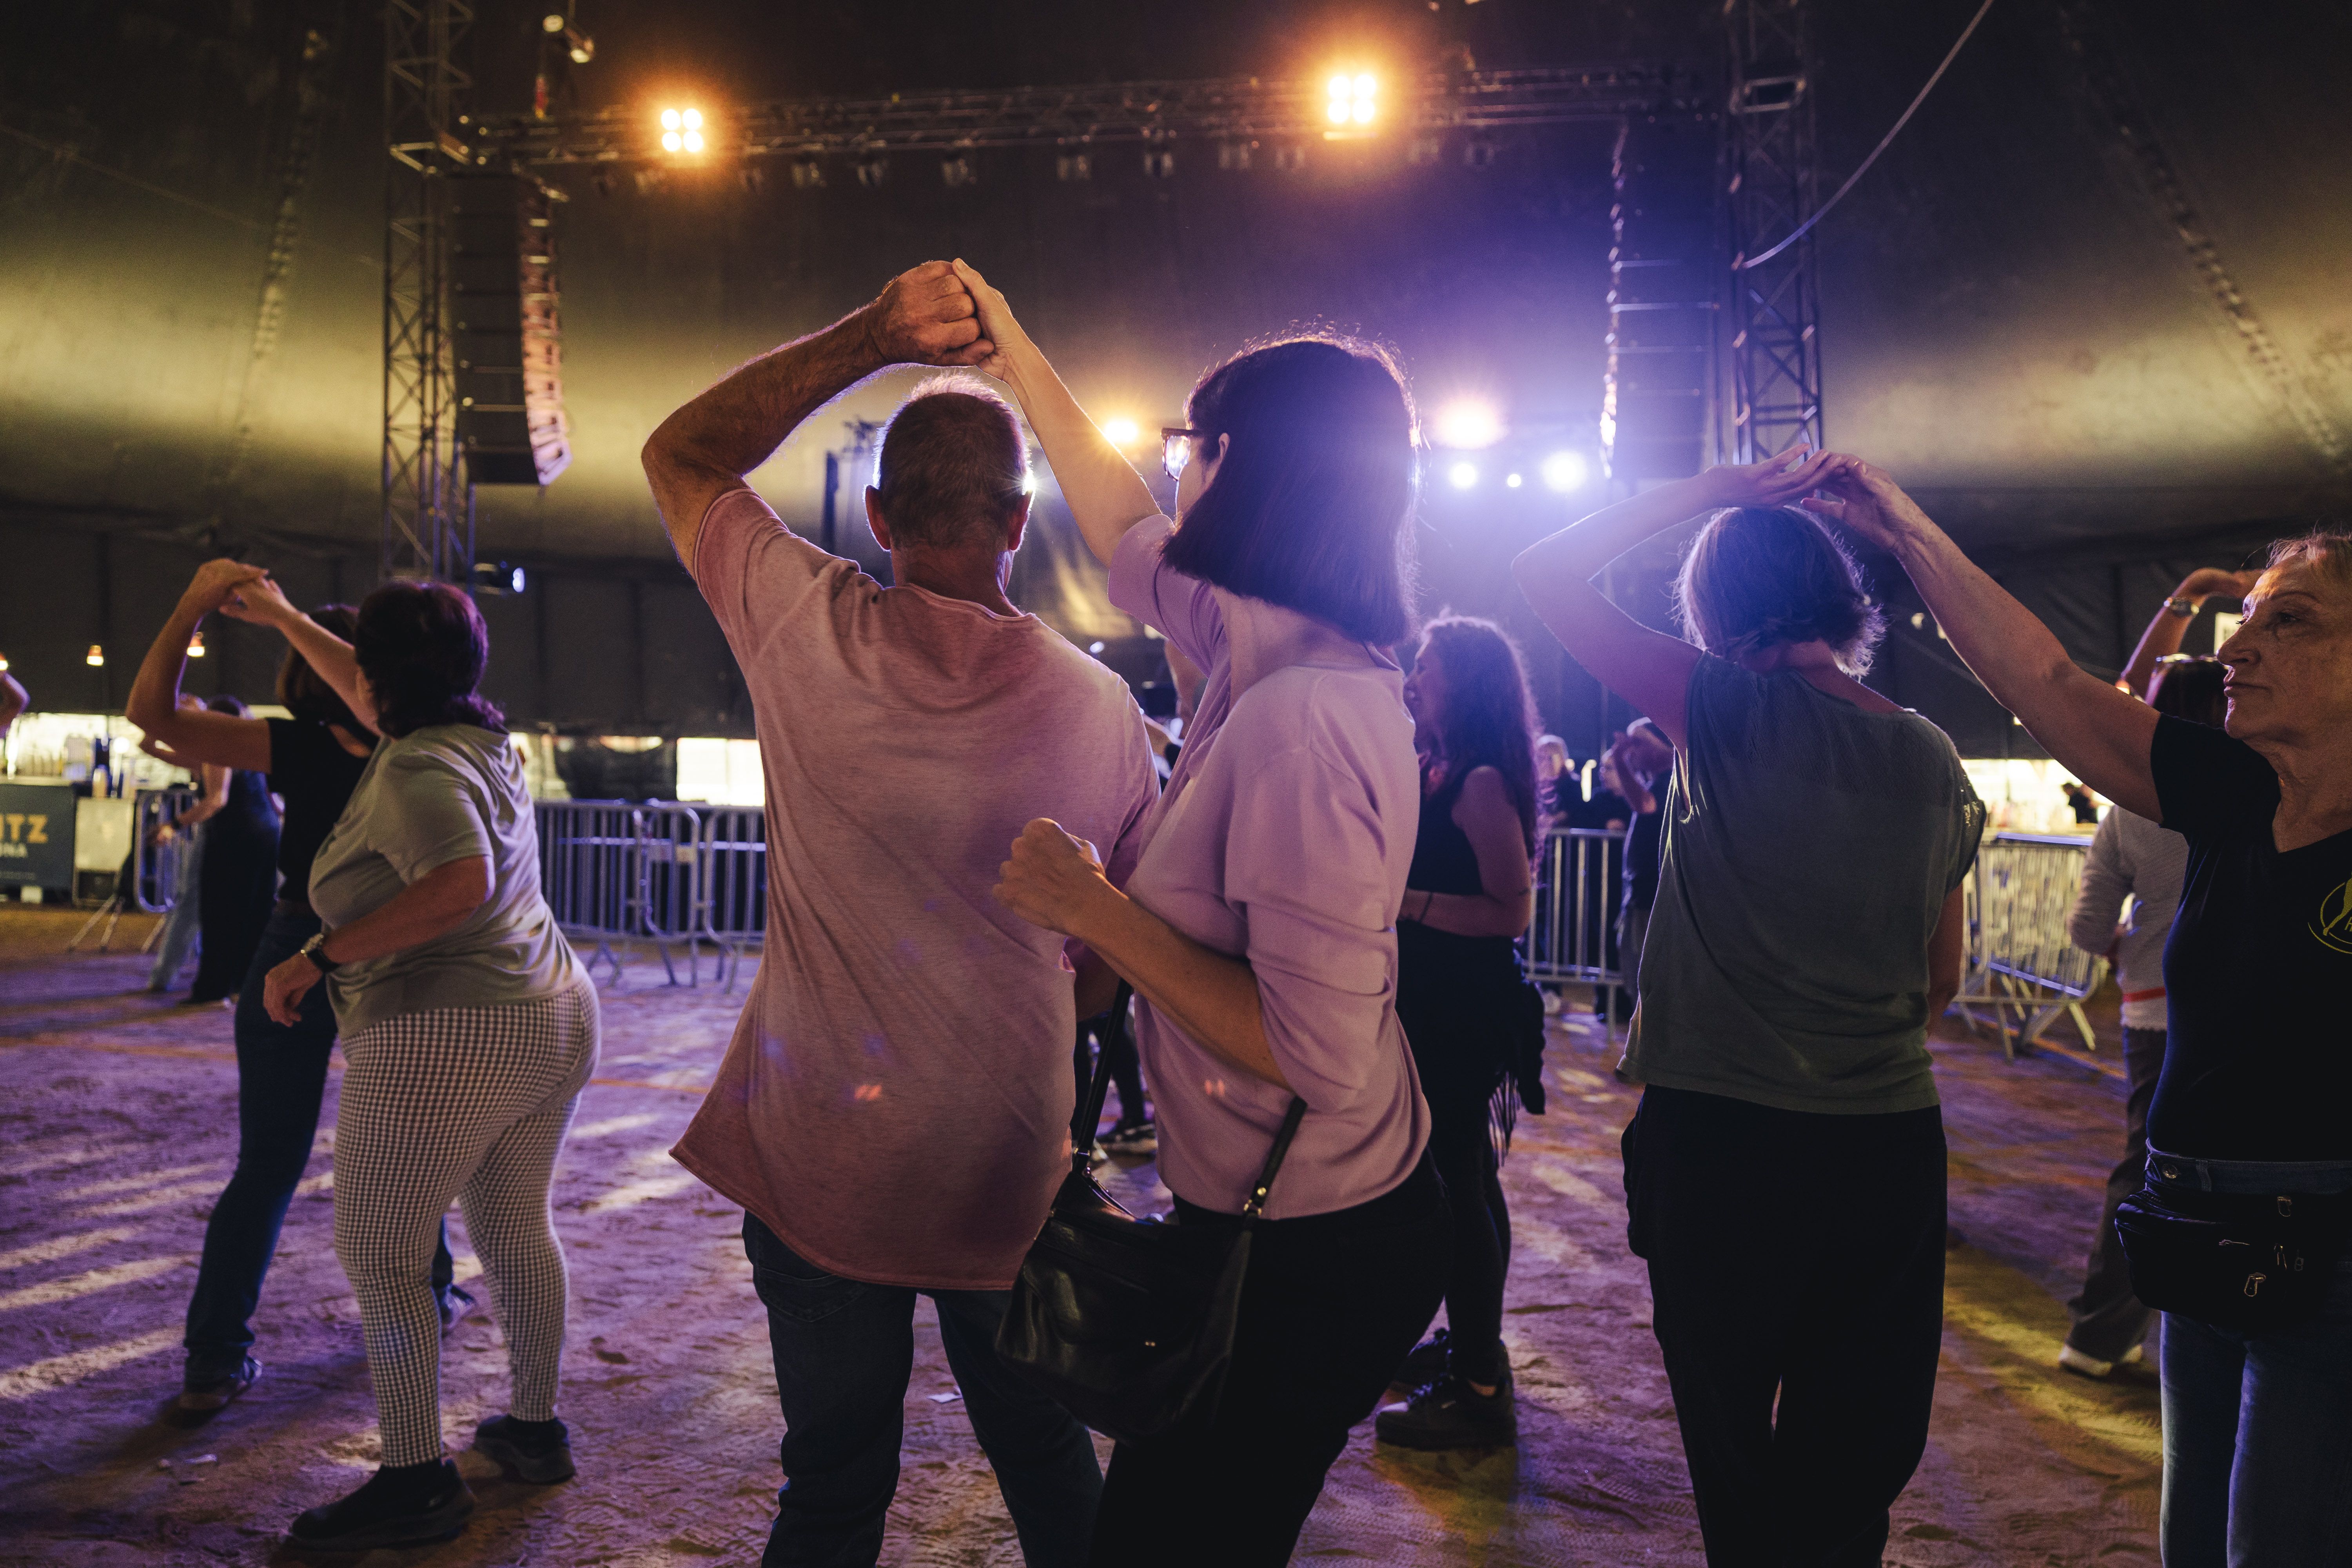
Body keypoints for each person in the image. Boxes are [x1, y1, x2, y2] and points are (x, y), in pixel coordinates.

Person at [641, 261, 1158, 1568]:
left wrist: (871, 336)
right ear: (1018, 518)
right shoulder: (1102, 717)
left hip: (819, 1156)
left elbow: (681, 452)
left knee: (830, 1488)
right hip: (1005, 1172)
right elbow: (1112, 969)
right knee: (1048, 1467)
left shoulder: (798, 625)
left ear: (876, 514)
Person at [958, 258, 1449, 1566]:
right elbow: (1121, 531)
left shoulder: (1309, 719)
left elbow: (1319, 1057)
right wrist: (1012, 348)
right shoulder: (1251, 643)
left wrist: (1095, 912)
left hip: (1321, 1247)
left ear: (1237, 465)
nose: (1169, 469)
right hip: (1278, 1218)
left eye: (1185, 443)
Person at [1804, 459, 2352, 1567]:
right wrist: (1908, 532)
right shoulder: (2233, 792)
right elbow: (2046, 679)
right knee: (2192, 1544)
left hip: (2331, 1262)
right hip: (2192, 1242)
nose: (2236, 649)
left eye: (2288, 623)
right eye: (2242, 621)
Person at [1511, 451, 1981, 1567]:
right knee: (1852, 1453)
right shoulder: (1931, 753)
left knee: (1732, 1441)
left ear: (1713, 607)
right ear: (1840, 600)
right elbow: (1943, 982)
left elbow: (1544, 571)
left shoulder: (1718, 705)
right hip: (1888, 1145)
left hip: (1724, 1134)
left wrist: (1704, 489)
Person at [258, 580, 596, 1550]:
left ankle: (414, 1478)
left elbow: (460, 882)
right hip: (553, 1012)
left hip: (450, 1027)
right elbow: (375, 694)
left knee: (383, 1256)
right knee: (513, 1222)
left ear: (378, 677)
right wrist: (288, 618)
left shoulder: (412, 769)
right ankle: (534, 1428)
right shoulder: (481, 737)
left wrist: (317, 955)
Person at [125, 564, 464, 1420]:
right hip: (348, 949)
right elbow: (151, 718)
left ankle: (224, 1351)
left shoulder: (391, 740)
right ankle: (234, 1346)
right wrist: (200, 604)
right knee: (364, 1151)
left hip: (336, 946)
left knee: (315, 1156)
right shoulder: (367, 739)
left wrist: (233, 609)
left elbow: (155, 716)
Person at [1375, 615, 1545, 1452]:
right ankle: (1475, 1346)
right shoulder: (1440, 761)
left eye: (1428, 667)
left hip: (1462, 1011)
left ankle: (1478, 1386)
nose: (1415, 676)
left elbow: (1513, 907)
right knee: (1471, 1181)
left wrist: (1404, 905)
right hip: (1443, 1005)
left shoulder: (1477, 779)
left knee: (1457, 1191)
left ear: (1467, 682)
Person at [2058, 655, 2226, 1380]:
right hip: (2238, 1010)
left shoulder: (2129, 804)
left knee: (2144, 1169)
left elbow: (2087, 925)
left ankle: (2097, 1336)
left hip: (2150, 1009)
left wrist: (2127, 942)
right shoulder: (2256, 789)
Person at [183, 695, 280, 1005]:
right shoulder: (247, 745)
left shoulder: (219, 746)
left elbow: (216, 800)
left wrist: (174, 823)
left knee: (220, 914)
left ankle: (214, 989)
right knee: (255, 915)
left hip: (235, 838)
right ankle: (244, 987)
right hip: (265, 833)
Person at [141, 699, 216, 993]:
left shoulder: (208, 751)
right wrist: (160, 719)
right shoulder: (200, 753)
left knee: (190, 902)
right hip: (227, 834)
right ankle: (170, 973)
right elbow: (148, 746)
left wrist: (173, 825)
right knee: (195, 901)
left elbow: (216, 800)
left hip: (223, 834)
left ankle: (164, 976)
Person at [1602, 719, 1674, 1010]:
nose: (1632, 750)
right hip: (1642, 896)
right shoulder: (1659, 781)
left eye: (1639, 742)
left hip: (1652, 897)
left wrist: (1619, 760)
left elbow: (1644, 805)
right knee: (1637, 978)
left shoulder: (1671, 777)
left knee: (1649, 984)